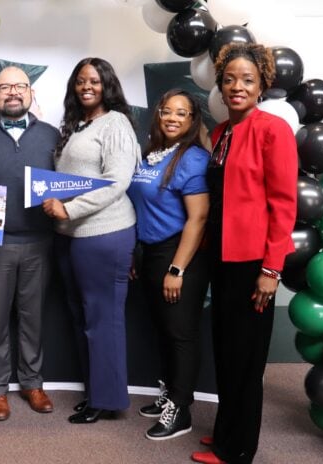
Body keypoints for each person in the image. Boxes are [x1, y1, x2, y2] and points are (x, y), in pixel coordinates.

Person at [191, 43, 297, 464]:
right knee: (227, 351)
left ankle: (236, 450)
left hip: (254, 262)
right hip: (222, 257)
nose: (238, 87)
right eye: (230, 79)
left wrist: (272, 269)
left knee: (246, 360)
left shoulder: (274, 130)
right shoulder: (221, 133)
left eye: (248, 80)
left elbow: (284, 204)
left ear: (262, 86)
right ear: (220, 84)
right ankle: (224, 431)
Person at [42, 57, 140, 424]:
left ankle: (108, 399)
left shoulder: (115, 124)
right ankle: (95, 393)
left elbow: (117, 181)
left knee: (102, 319)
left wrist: (70, 209)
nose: (87, 86)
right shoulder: (77, 125)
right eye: (81, 81)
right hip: (68, 236)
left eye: (95, 81)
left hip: (104, 234)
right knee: (82, 316)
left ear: (107, 86)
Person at [0, 66, 59, 422]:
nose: (13, 92)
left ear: (31, 93)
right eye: (5, 87)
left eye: (21, 86)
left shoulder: (52, 135)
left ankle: (33, 383)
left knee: (32, 318)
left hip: (39, 241)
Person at [126, 89, 210, 440]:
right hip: (150, 252)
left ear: (192, 121)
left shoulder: (192, 159)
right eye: (167, 111)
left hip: (179, 254)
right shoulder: (149, 155)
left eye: (182, 113)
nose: (173, 118)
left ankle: (182, 409)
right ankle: (169, 393)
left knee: (180, 334)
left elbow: (199, 218)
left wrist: (177, 270)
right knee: (163, 329)